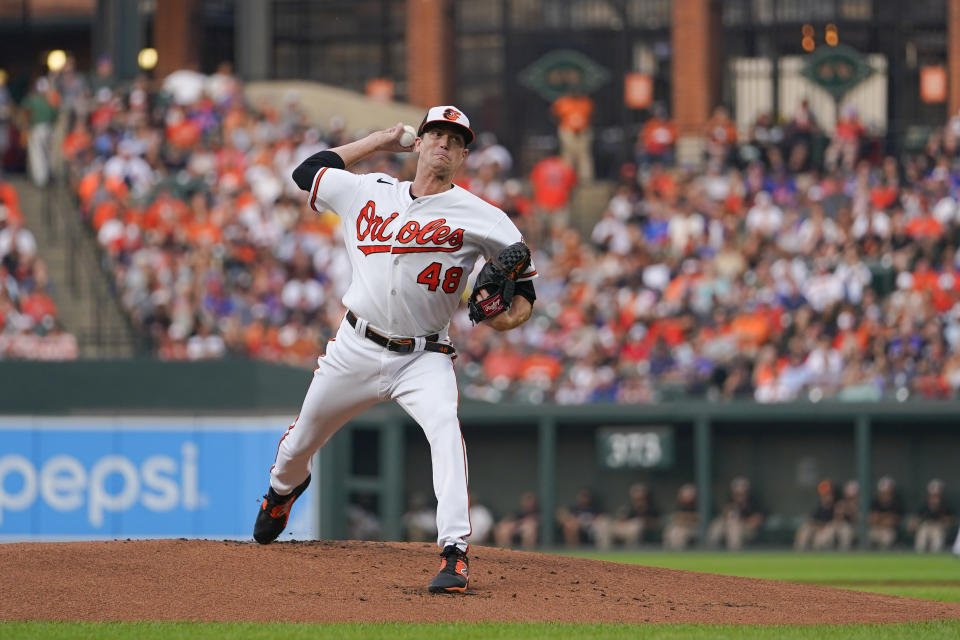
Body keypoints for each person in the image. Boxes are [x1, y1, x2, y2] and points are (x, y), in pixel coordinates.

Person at [252, 105, 537, 595]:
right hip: (355, 347)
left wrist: (502, 317)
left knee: (445, 430)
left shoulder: (486, 218)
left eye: (455, 139)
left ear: (464, 154)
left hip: (423, 357)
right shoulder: (369, 189)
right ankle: (282, 491)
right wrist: (380, 139)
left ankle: (455, 554)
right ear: (420, 141)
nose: (444, 144)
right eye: (437, 135)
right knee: (298, 448)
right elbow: (306, 172)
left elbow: (526, 298)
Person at [596, 483, 661, 549]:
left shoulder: (653, 509)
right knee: (604, 522)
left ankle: (630, 551)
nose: (638, 499)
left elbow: (656, 524)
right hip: (623, 529)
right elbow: (620, 520)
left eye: (641, 497)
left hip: (639, 532)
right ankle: (605, 551)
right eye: (636, 495)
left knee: (636, 525)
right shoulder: (628, 508)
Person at [707, 476, 765, 550]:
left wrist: (739, 522)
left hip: (747, 530)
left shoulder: (754, 503)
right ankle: (710, 550)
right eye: (737, 493)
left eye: (742, 493)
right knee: (717, 524)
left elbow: (754, 523)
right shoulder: (730, 502)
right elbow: (724, 516)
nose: (739, 495)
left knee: (734, 528)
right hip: (727, 527)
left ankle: (734, 554)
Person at [550, 90, 594, 182]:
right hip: (567, 129)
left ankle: (585, 179)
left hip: (583, 130)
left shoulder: (585, 102)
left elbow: (592, 115)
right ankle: (567, 178)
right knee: (568, 154)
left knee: (583, 154)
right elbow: (554, 114)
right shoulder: (563, 101)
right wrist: (561, 125)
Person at [908, 479, 954, 553]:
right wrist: (914, 524)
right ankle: (919, 556)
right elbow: (915, 519)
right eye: (933, 495)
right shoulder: (923, 505)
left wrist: (944, 522)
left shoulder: (945, 505)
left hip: (938, 527)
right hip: (925, 526)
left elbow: (951, 521)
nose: (935, 497)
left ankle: (935, 558)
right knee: (922, 535)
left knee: (937, 538)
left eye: (937, 495)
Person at [794, 479, 838, 550]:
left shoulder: (837, 506)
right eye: (824, 494)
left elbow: (835, 522)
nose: (826, 496)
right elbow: (811, 520)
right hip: (818, 529)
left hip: (829, 530)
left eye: (828, 494)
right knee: (805, 530)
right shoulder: (819, 508)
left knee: (821, 538)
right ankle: (799, 553)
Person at [868, 476, 903, 550]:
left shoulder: (897, 503)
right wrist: (885, 518)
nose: (885, 495)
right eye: (883, 492)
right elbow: (872, 519)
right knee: (870, 535)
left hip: (890, 531)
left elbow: (892, 521)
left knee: (887, 537)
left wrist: (881, 518)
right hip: (876, 529)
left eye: (888, 492)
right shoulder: (875, 502)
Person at [663, 483, 699, 550]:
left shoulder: (700, 504)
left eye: (690, 495)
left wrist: (687, 518)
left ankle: (680, 554)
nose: (688, 497)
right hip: (680, 527)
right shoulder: (679, 505)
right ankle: (669, 553)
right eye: (685, 495)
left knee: (681, 533)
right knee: (673, 532)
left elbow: (700, 519)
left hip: (696, 528)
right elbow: (675, 518)